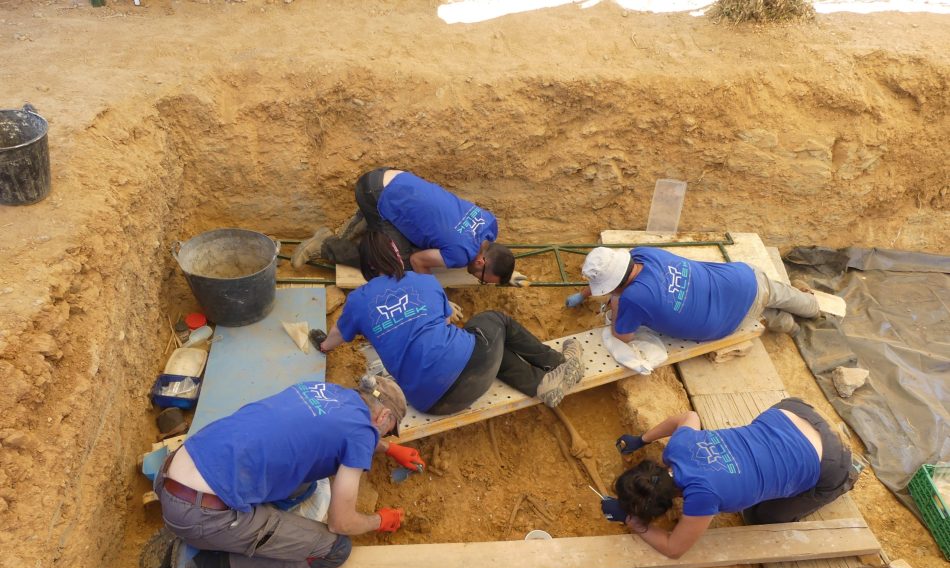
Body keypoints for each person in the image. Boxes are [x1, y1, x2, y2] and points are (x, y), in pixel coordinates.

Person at [156, 375, 425, 568]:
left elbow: (348, 430)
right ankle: (208, 564)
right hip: (200, 513)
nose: (383, 435)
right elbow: (340, 522)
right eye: (388, 430)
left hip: (172, 473)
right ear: (383, 417)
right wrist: (378, 520)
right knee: (335, 550)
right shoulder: (361, 435)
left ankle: (200, 529)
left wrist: (388, 449)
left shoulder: (322, 390)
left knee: (304, 485)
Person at [315, 232, 584, 413]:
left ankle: (540, 382)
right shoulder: (423, 280)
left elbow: (338, 334)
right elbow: (445, 320)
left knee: (486, 346)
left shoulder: (359, 301)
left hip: (432, 403)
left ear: (366, 265)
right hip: (474, 374)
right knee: (493, 321)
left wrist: (324, 346)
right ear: (397, 257)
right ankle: (559, 364)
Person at [601, 397, 856, 558]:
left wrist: (632, 520)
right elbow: (690, 416)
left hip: (830, 458)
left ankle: (848, 475)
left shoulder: (701, 498)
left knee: (762, 516)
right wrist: (642, 439)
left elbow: (674, 549)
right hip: (792, 411)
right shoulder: (677, 448)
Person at [293, 168, 520, 285]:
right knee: (394, 267)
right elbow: (417, 262)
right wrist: (438, 299)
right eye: (481, 279)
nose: (477, 279)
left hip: (391, 178)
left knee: (420, 240)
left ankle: (369, 221)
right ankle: (325, 245)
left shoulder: (490, 224)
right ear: (481, 261)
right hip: (373, 192)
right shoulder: (461, 254)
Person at [565, 246, 820, 341]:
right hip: (742, 279)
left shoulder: (633, 298)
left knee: (760, 311)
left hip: (722, 323)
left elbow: (622, 335)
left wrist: (617, 301)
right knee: (777, 294)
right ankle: (811, 306)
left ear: (616, 287)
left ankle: (792, 326)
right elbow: (616, 276)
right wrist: (585, 294)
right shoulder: (645, 253)